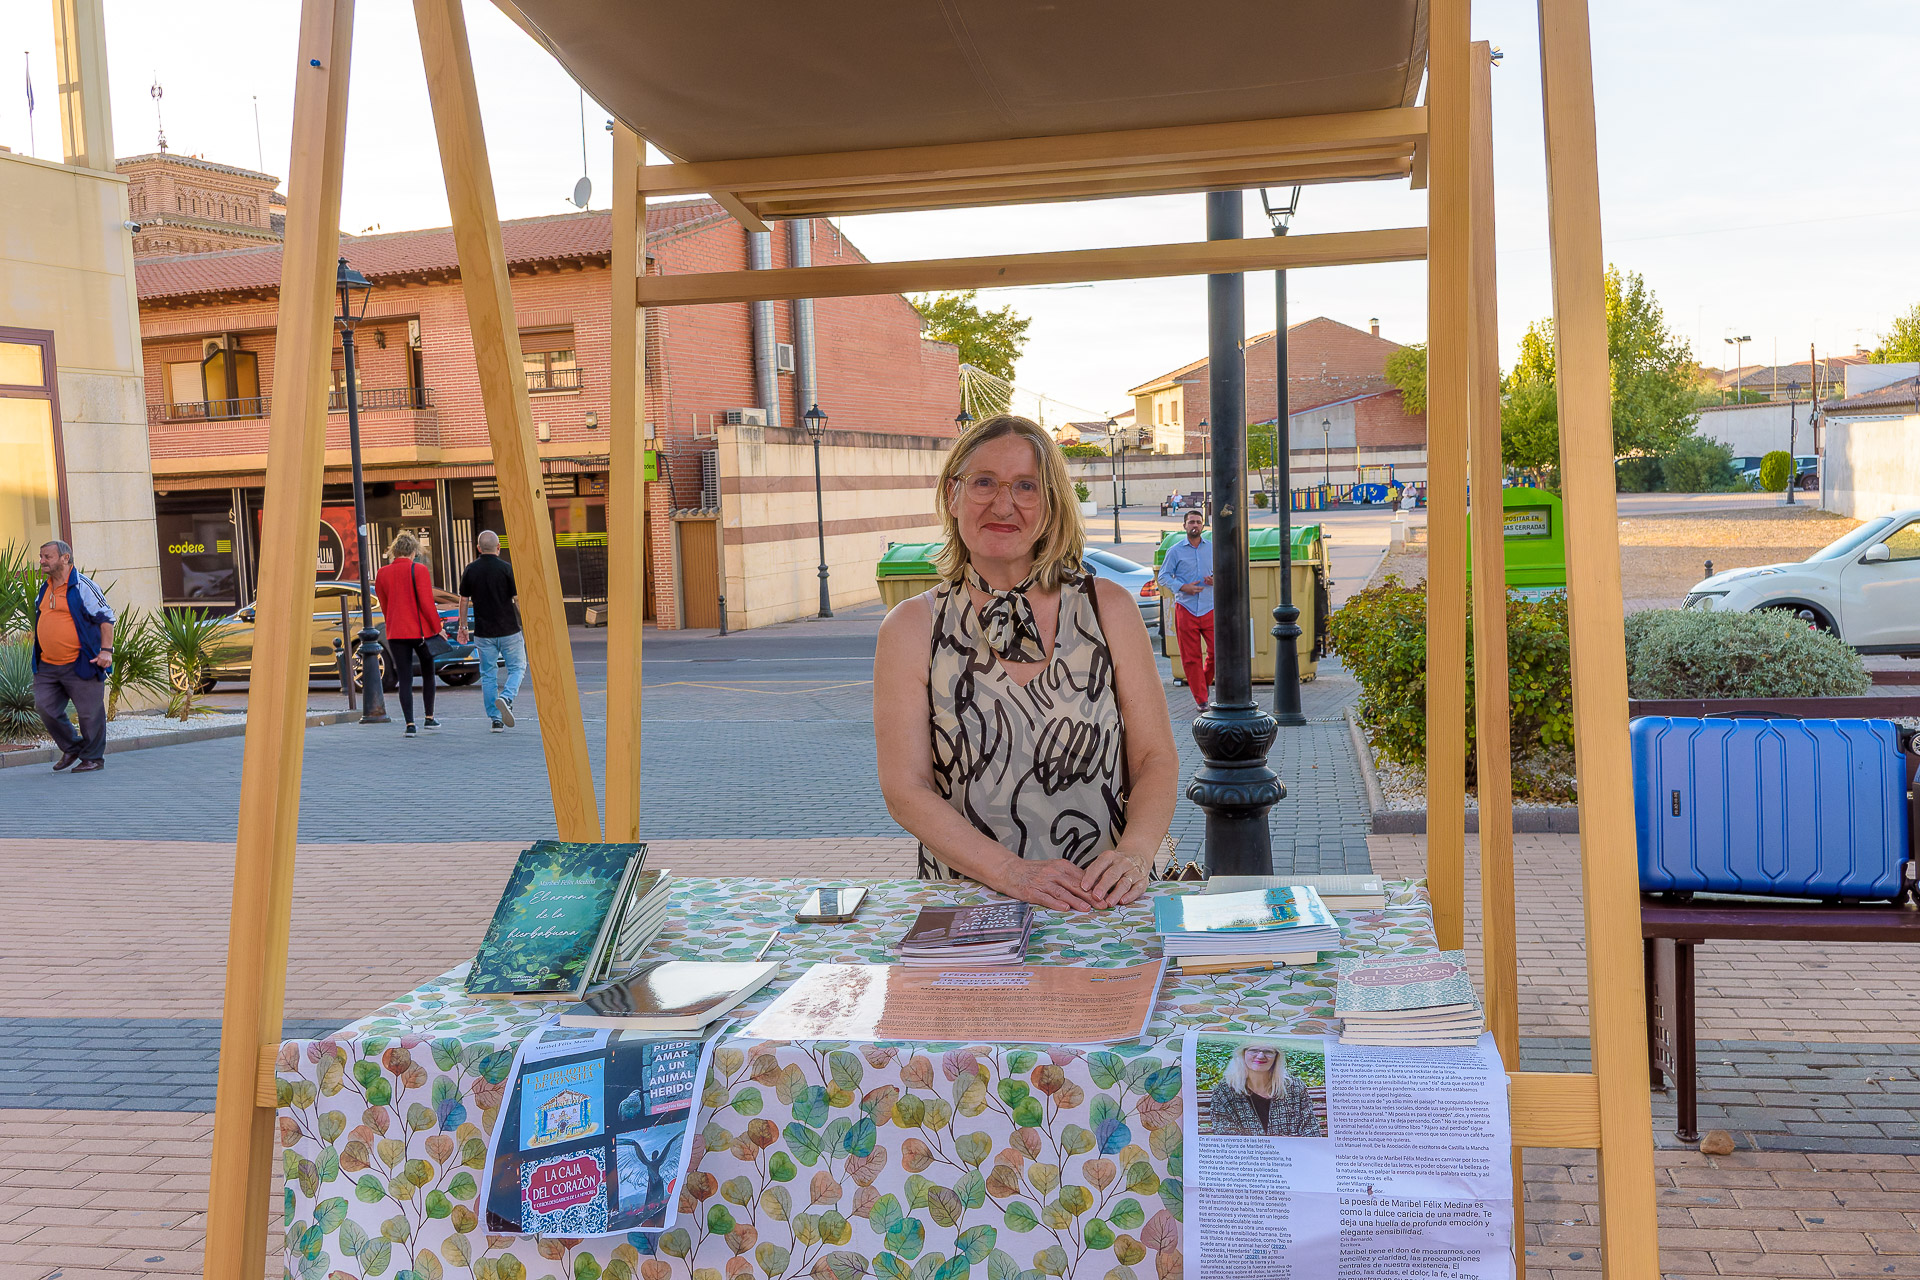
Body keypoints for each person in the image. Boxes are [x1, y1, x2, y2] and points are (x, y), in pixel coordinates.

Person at [873, 414, 1180, 913]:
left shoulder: (1109, 609)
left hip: (1101, 905)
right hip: (970, 909)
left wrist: (1136, 855)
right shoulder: (911, 627)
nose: (1003, 504)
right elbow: (906, 789)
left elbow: (1156, 761)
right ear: (953, 495)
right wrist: (1011, 874)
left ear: (1051, 503)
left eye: (1025, 486)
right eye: (984, 483)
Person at [31, 540, 115, 773]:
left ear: (65, 558)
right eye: (41, 556)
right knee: (45, 706)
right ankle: (72, 747)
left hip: (81, 661)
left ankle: (93, 758)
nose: (42, 561)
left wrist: (106, 651)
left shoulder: (83, 586)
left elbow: (106, 618)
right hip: (47, 663)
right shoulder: (45, 587)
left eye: (47, 556)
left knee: (90, 713)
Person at [457, 530, 527, 732]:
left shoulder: (471, 570)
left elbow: (463, 600)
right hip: (509, 630)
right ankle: (506, 697)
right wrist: (527, 623)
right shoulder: (506, 569)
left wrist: (463, 627)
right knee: (518, 667)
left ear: (478, 548)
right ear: (499, 548)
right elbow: (517, 599)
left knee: (488, 674)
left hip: (483, 633)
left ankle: (495, 720)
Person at [374, 531, 441, 737]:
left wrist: (392, 620)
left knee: (405, 678)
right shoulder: (418, 570)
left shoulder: (382, 573)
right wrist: (438, 628)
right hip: (419, 631)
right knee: (428, 670)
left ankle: (410, 724)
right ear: (413, 551)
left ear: (394, 551)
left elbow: (384, 604)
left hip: (396, 632)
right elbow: (427, 604)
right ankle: (429, 717)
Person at [1157, 508, 1215, 709]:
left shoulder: (1212, 548)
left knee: (1217, 652)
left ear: (1203, 526)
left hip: (1210, 607)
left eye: (1198, 522)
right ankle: (1201, 700)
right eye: (1191, 522)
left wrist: (1215, 580)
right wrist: (1183, 587)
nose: (1195, 525)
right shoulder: (1175, 551)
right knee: (1191, 657)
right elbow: (1163, 576)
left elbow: (1224, 571)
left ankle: (1203, 685)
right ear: (1184, 526)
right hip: (1186, 608)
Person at [1208, 1042, 1321, 1137]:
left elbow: (1311, 1131)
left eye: (1268, 1051)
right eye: (1254, 1050)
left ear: (1277, 1056)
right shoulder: (1225, 1091)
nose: (1261, 1056)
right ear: (1243, 1053)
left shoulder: (1295, 1087)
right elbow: (1224, 1136)